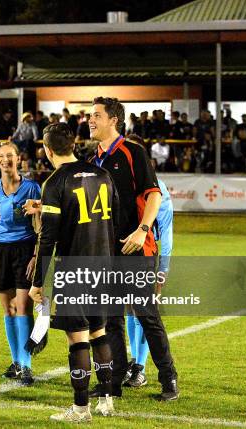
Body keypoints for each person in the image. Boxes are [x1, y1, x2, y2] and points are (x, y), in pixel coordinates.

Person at [88, 97, 178, 401]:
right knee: (111, 318)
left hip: (135, 249)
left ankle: (169, 380)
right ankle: (114, 382)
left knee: (146, 315)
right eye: (91, 115)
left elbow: (153, 195)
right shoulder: (94, 159)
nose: (90, 120)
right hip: (106, 251)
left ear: (113, 119)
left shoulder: (133, 151)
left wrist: (142, 230)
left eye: (96, 115)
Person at [27, 123, 118, 422]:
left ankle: (81, 409)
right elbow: (113, 221)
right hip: (104, 266)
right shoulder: (103, 175)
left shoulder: (55, 182)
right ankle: (107, 400)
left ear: (47, 149)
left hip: (75, 269)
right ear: (75, 144)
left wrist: (38, 282)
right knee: (99, 333)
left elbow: (48, 237)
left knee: (77, 338)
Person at [0, 142, 41, 386]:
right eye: (1, 156)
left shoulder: (32, 188)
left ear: (18, 158)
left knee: (23, 308)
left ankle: (27, 365)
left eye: (9, 156)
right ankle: (15, 362)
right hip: (0, 251)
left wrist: (36, 254)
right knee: (8, 309)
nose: (5, 160)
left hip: (25, 250)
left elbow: (40, 224)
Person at [124, 176, 173, 388]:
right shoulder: (120, 180)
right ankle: (135, 363)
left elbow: (166, 230)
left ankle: (140, 368)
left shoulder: (156, 188)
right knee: (129, 310)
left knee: (142, 311)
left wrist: (163, 270)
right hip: (122, 252)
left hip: (144, 255)